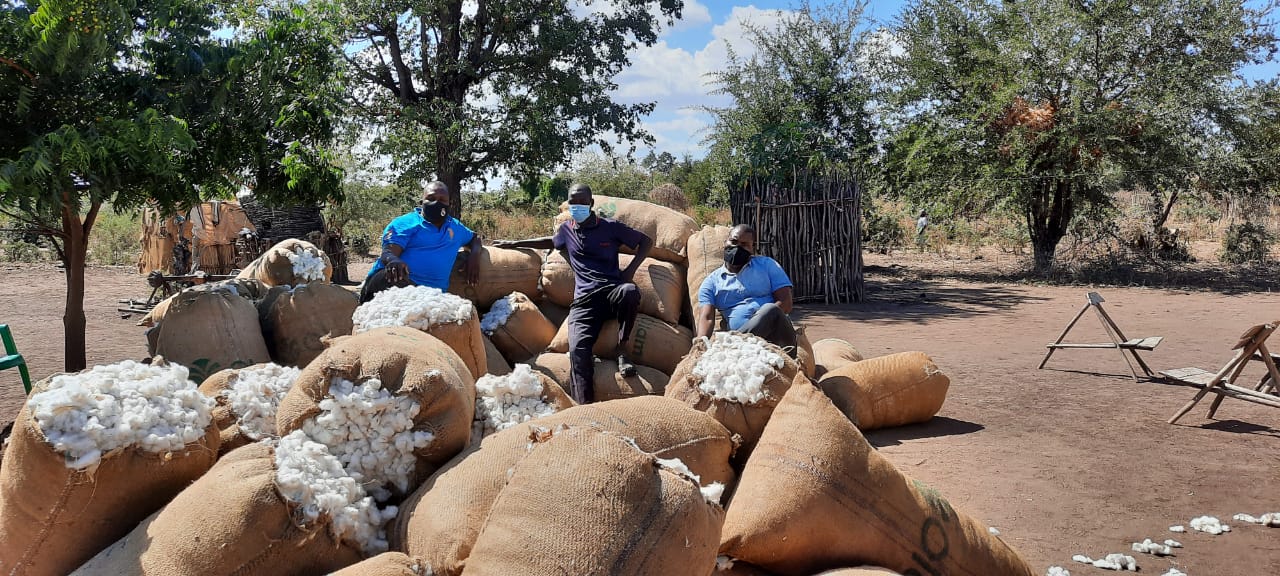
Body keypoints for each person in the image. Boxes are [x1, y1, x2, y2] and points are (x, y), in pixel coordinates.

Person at [493, 183, 653, 404]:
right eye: (572, 201)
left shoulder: (610, 227)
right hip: (584, 302)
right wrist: (513, 243)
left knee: (630, 291)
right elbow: (551, 241)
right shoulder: (567, 230)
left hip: (612, 292)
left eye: (581, 202)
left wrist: (629, 272)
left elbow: (646, 242)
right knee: (577, 351)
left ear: (591, 203)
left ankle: (621, 348)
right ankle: (583, 408)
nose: (576, 206)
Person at [359, 181, 481, 303]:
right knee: (394, 278)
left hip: (432, 295)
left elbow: (475, 238)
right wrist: (393, 261)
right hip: (393, 283)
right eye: (431, 198)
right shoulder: (404, 223)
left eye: (442, 200)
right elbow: (388, 252)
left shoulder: (456, 227)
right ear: (422, 201)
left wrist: (474, 257)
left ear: (449, 203)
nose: (436, 203)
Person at [695, 224, 797, 356]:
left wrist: (762, 319)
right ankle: (737, 346)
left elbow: (786, 303)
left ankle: (734, 348)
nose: (737, 248)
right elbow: (707, 317)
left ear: (752, 249)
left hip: (777, 339)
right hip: (739, 339)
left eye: (744, 245)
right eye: (734, 241)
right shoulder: (712, 282)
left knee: (771, 310)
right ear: (725, 242)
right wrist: (700, 344)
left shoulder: (767, 265)